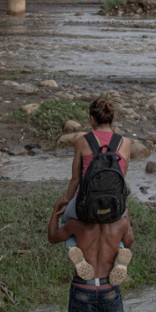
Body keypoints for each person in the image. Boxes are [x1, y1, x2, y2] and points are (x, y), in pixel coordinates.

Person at [48, 162, 135, 312]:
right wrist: (125, 215)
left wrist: (55, 211)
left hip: (82, 288)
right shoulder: (121, 222)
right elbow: (131, 241)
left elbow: (52, 237)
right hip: (109, 288)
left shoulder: (76, 224)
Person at [52, 98, 132, 283]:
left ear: (91, 119)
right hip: (115, 206)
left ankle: (74, 250)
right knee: (118, 225)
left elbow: (75, 179)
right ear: (112, 118)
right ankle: (120, 254)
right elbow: (122, 179)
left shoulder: (82, 141)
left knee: (66, 221)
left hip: (85, 206)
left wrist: (66, 201)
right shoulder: (125, 143)